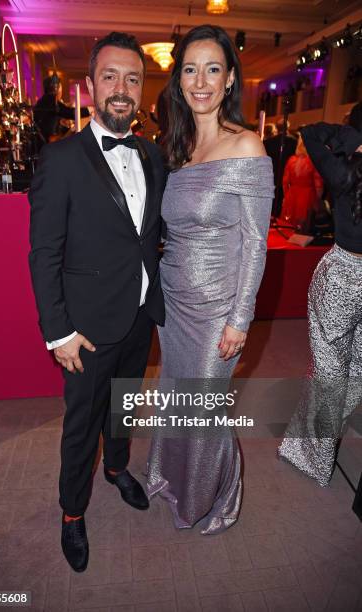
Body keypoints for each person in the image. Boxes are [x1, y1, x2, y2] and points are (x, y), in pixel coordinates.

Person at [28, 32, 166, 572]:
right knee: (81, 424)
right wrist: (58, 332)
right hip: (84, 328)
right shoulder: (61, 158)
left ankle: (117, 468)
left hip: (137, 316)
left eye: (133, 78)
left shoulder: (153, 153)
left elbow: (149, 235)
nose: (122, 89)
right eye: (110, 76)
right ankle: (72, 511)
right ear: (89, 86)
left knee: (124, 405)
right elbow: (44, 254)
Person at [146, 24, 274, 534]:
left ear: (229, 80)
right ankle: (168, 476)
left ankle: (208, 498)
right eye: (190, 69)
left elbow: (256, 244)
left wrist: (240, 319)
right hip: (173, 302)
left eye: (213, 69)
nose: (201, 80)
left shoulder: (248, 148)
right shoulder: (177, 150)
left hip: (219, 310)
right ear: (178, 80)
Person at [278, 121, 362, 486]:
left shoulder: (344, 174)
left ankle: (314, 454)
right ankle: (316, 439)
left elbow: (310, 132)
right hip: (346, 282)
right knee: (354, 371)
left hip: (341, 279)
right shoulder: (344, 174)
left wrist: (353, 140)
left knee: (330, 375)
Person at [280, 134, 323, 233]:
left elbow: (285, 181)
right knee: (304, 225)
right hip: (308, 195)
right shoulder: (313, 161)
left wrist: (287, 195)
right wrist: (318, 199)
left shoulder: (291, 160)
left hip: (292, 194)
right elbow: (318, 185)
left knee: (288, 226)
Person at [33, 75, 90, 143]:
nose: (61, 92)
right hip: (50, 142)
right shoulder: (52, 101)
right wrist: (88, 110)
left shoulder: (43, 100)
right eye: (60, 87)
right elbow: (70, 113)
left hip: (42, 141)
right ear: (56, 88)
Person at [264, 117, 297, 217]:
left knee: (272, 199)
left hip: (272, 174)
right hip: (287, 175)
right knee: (283, 198)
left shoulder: (268, 142)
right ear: (288, 127)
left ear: (277, 129)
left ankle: (272, 215)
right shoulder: (293, 142)